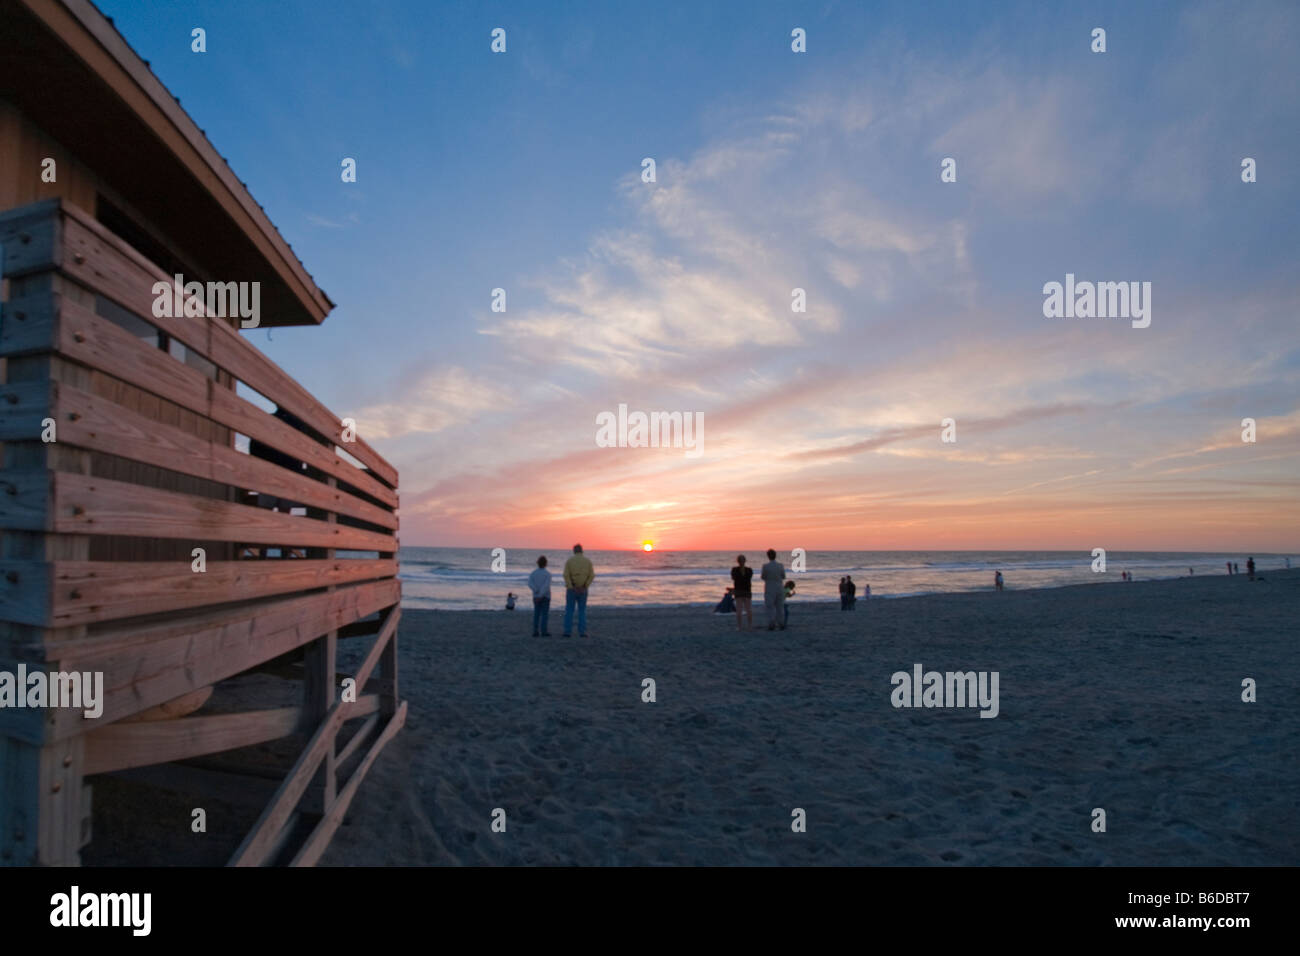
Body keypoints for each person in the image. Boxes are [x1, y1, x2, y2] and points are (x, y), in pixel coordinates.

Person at [563, 543, 594, 637]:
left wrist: (572, 586)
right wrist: (585, 586)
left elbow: (566, 575)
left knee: (569, 610)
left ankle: (567, 632)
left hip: (571, 589)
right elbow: (591, 575)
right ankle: (582, 632)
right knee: (582, 611)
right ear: (582, 551)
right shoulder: (588, 561)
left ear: (574, 551)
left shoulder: (569, 561)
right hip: (583, 589)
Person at [760, 548, 786, 631]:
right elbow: (783, 576)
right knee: (779, 606)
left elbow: (763, 577)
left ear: (768, 556)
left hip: (769, 587)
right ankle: (781, 623)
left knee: (770, 606)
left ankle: (771, 623)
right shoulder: (780, 565)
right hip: (779, 587)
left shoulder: (765, 566)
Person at [528, 556, 552, 636]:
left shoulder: (533, 573)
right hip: (545, 596)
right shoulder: (547, 574)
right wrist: (541, 594)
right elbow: (546, 586)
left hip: (536, 596)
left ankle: (535, 631)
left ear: (538, 563)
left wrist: (536, 591)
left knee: (536, 614)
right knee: (544, 614)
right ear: (546, 564)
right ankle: (543, 631)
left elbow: (530, 584)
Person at [730, 555, 754, 630]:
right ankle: (749, 626)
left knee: (739, 610)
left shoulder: (734, 570)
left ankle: (739, 626)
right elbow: (749, 578)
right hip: (746, 591)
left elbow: (733, 578)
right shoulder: (749, 570)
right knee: (748, 609)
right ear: (745, 561)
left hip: (739, 591)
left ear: (738, 561)